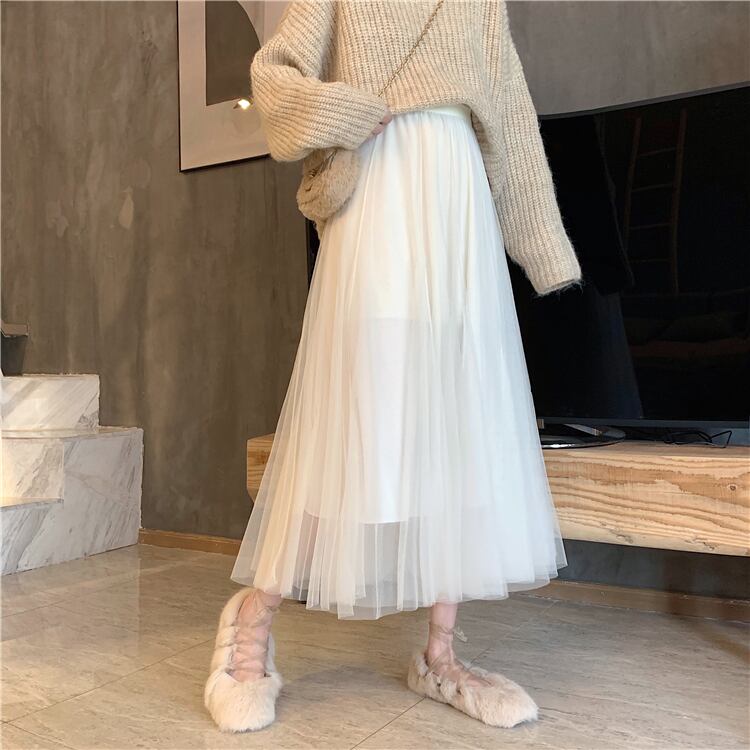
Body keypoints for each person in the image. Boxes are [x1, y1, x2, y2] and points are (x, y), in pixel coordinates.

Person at [204, 0, 583, 734]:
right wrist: (344, 110)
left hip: (459, 200)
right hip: (379, 191)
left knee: (457, 421)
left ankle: (441, 654)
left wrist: (543, 246)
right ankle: (252, 619)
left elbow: (508, 114)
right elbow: (275, 76)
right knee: (352, 416)